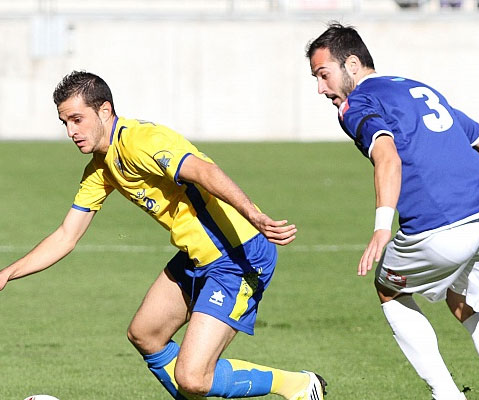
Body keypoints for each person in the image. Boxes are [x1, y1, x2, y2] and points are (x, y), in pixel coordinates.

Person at [0, 71, 327, 400]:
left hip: (237, 255)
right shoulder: (100, 168)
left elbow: (204, 170)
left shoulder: (141, 141)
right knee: (146, 334)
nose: (71, 132)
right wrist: (7, 274)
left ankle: (298, 386)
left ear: (104, 110)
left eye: (76, 119)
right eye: (65, 123)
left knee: (193, 378)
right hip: (196, 257)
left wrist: (254, 215)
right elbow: (66, 235)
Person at [306, 23, 479, 400]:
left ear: (353, 64)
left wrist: (381, 227)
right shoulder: (417, 88)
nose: (321, 88)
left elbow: (387, 157)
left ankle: (447, 395)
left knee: (388, 288)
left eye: (323, 75)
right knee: (466, 303)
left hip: (440, 229)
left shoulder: (355, 104)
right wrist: (476, 203)